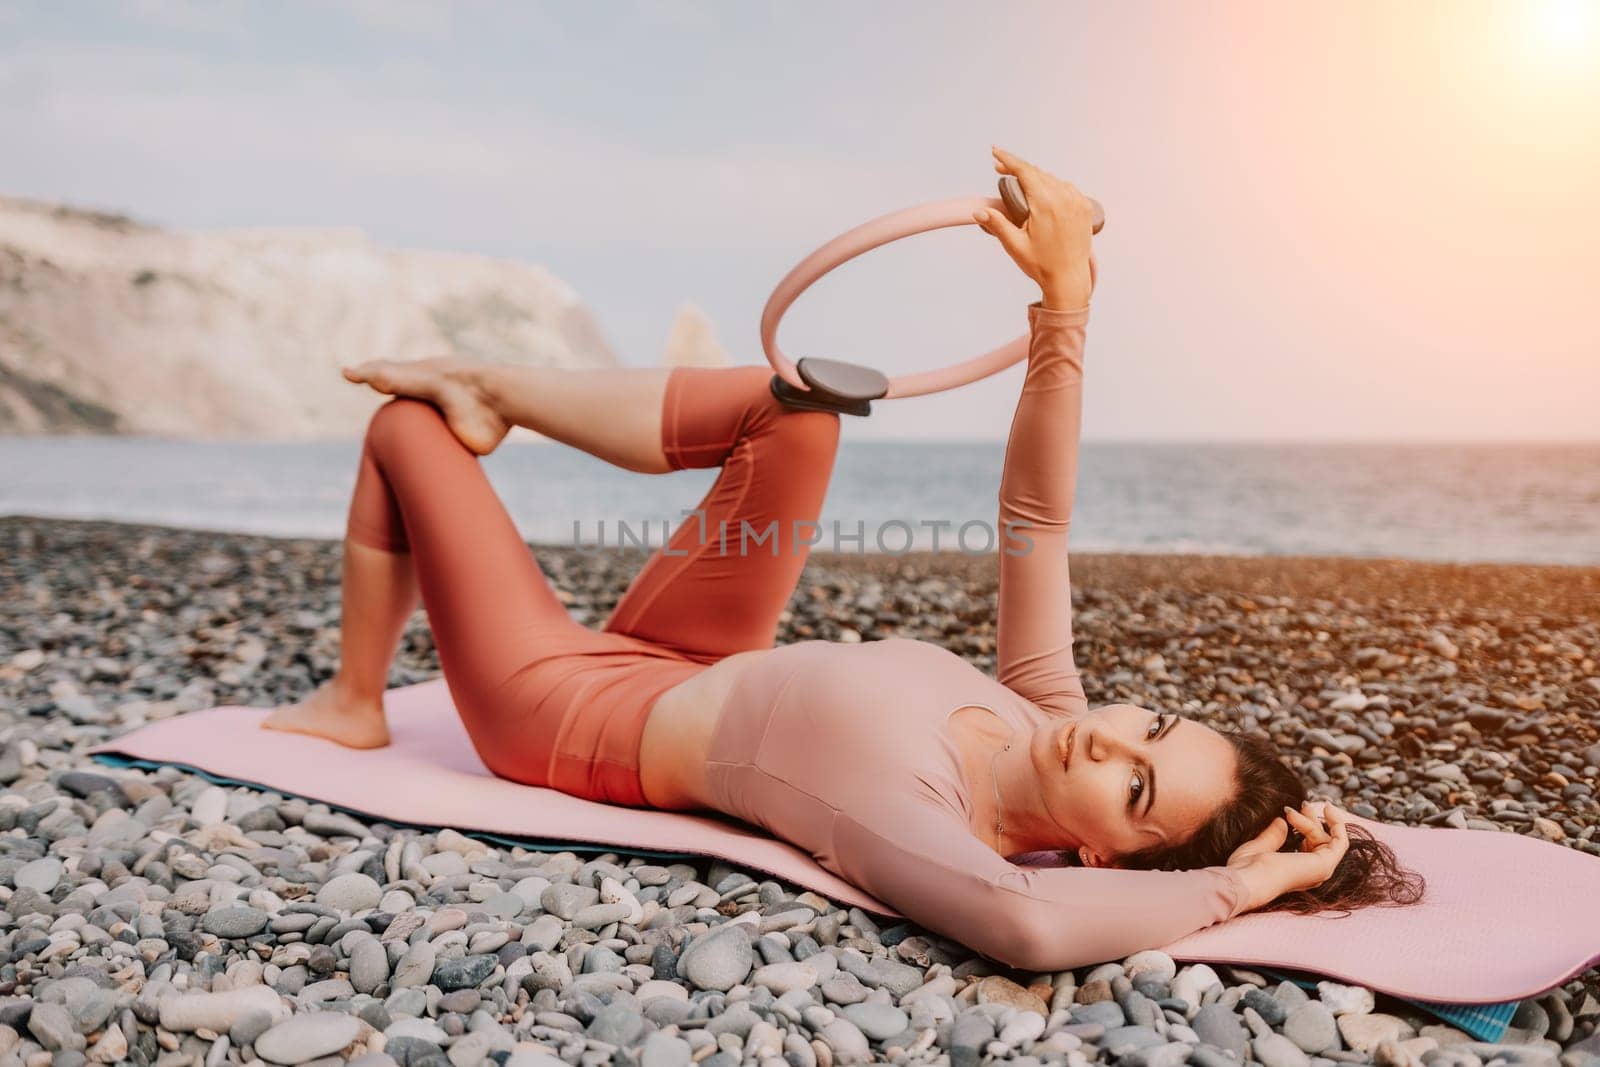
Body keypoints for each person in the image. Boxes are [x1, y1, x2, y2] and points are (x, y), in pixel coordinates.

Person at [263, 147, 1423, 972]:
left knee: (403, 428)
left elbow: (1024, 926)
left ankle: (355, 697)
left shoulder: (925, 817)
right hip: (686, 652)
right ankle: (500, 385)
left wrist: (1240, 886)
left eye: (1132, 785)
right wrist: (1064, 305)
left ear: (1108, 852)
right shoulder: (1038, 709)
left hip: (561, 711)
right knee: (803, 412)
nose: (1108, 737)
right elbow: (1035, 516)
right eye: (1154, 726)